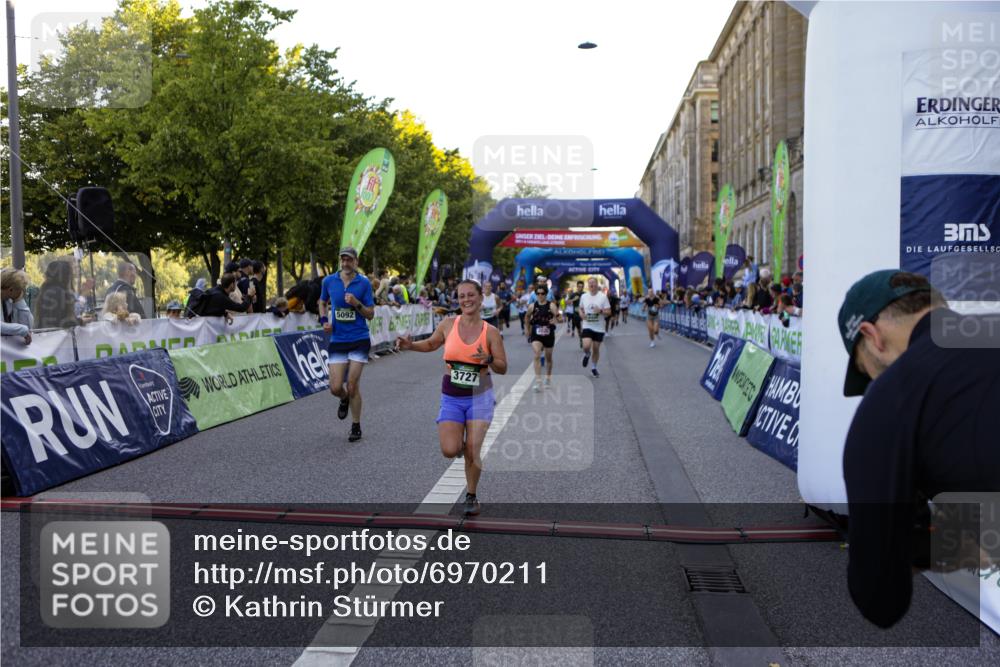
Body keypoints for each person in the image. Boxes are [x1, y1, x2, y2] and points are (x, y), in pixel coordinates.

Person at [837, 269, 1000, 628]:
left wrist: (941, 548)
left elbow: (878, 595)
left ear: (871, 337)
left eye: (867, 372)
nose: (873, 383)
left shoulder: (892, 396)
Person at [396, 279, 507, 516]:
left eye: (470, 295)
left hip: (480, 397)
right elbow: (431, 344)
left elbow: (502, 366)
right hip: (452, 397)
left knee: (472, 449)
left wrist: (487, 359)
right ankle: (459, 444)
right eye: (461, 296)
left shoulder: (491, 332)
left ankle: (471, 495)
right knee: (449, 449)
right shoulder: (448, 324)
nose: (466, 300)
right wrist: (410, 345)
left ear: (480, 298)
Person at [319, 247, 375, 443]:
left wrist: (356, 303)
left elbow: (370, 313)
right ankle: (343, 398)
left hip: (359, 338)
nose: (345, 264)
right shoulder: (328, 281)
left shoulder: (364, 283)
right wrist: (323, 319)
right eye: (343, 260)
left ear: (356, 262)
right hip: (338, 339)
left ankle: (356, 425)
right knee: (335, 387)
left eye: (349, 260)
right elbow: (322, 301)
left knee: (352, 385)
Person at [525, 284, 562, 391]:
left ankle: (548, 377)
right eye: (538, 294)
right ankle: (538, 381)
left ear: (546, 294)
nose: (540, 296)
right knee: (537, 354)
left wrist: (556, 320)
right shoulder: (532, 306)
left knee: (548, 358)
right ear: (535, 294)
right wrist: (527, 329)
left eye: (542, 293)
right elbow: (527, 317)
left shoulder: (551, 306)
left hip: (548, 333)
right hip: (536, 333)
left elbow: (560, 318)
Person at [34, 260, 82, 329]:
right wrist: (82, 321)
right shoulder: (58, 292)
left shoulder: (46, 290)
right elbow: (58, 322)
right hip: (53, 337)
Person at [579, 277, 611, 377]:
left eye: (593, 283)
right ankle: (587, 354)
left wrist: (601, 311)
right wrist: (581, 314)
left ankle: (593, 368)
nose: (592, 285)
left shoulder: (603, 297)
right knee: (586, 346)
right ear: (588, 286)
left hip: (599, 327)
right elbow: (580, 308)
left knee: (596, 348)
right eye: (590, 284)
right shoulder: (584, 296)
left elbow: (609, 312)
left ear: (597, 285)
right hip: (587, 325)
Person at [1, 268, 33, 344]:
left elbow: (27, 326)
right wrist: (22, 330)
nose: (21, 293)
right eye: (20, 290)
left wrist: (19, 301)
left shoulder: (8, 301)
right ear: (11, 290)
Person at [567, 280, 584, 345]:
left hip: (583, 313)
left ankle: (584, 337)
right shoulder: (573, 294)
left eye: (582, 287)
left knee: (584, 328)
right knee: (579, 328)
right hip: (576, 314)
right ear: (577, 287)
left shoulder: (585, 294)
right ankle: (580, 338)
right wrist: (574, 299)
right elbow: (567, 302)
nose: (580, 288)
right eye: (579, 286)